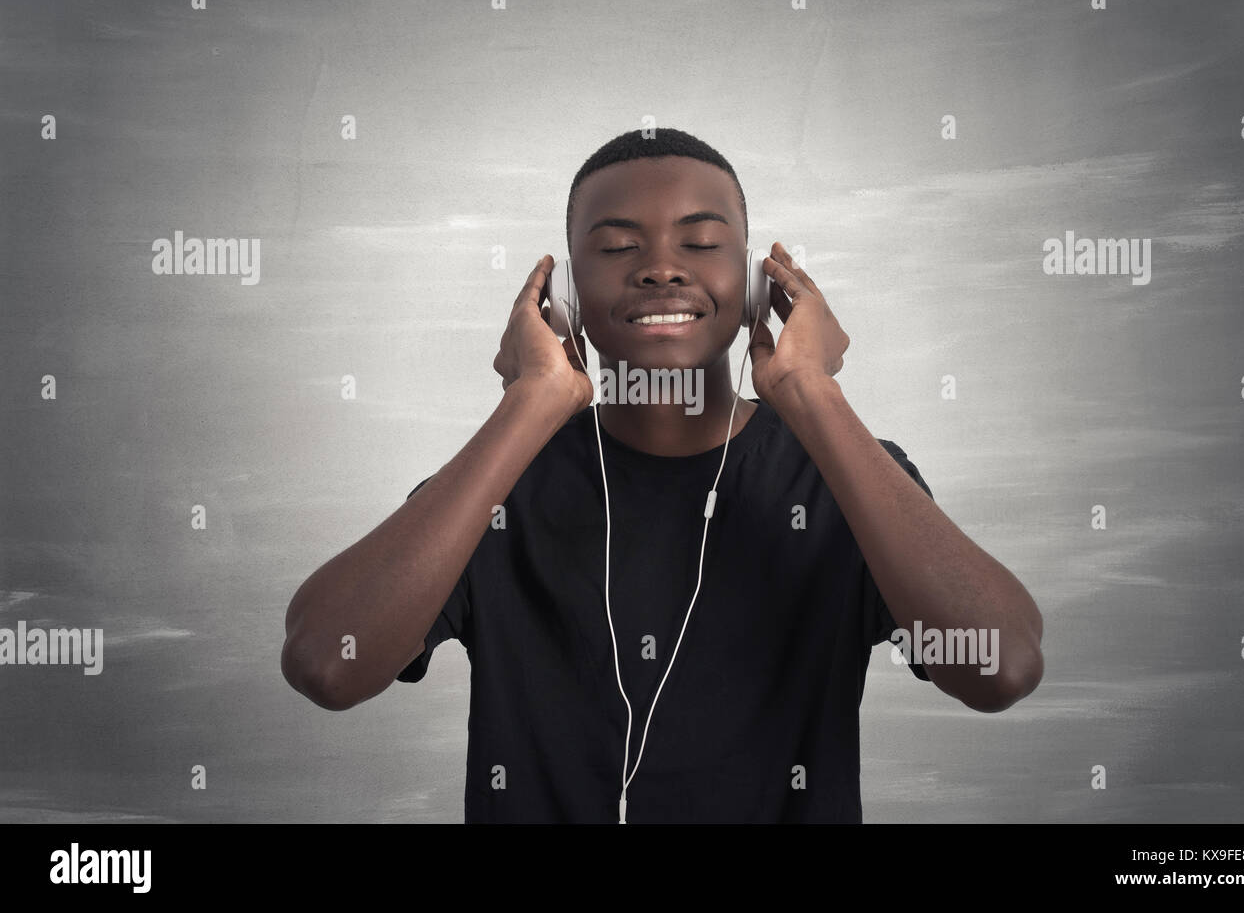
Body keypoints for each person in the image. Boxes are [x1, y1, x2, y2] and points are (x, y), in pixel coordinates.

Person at [281, 128, 1044, 823]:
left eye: (702, 241)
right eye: (616, 249)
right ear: (566, 295)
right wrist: (530, 402)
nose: (660, 268)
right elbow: (326, 663)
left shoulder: (841, 475)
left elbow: (1000, 668)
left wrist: (814, 394)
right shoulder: (498, 485)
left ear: (756, 286)